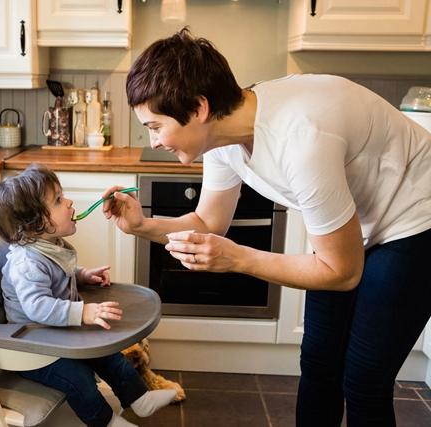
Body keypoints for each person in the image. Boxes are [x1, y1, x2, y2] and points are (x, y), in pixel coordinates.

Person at [101, 28, 431, 427]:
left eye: (155, 126)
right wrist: (141, 226)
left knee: (363, 379)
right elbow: (209, 221)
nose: (153, 141)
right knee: (318, 361)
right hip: (357, 222)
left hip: (416, 218)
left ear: (198, 108)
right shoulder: (222, 134)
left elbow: (342, 273)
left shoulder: (301, 138)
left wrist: (237, 257)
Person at [0, 164, 176, 427]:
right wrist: (83, 312)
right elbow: (37, 306)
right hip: (34, 348)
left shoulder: (47, 246)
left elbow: (56, 276)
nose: (69, 202)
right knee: (79, 379)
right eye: (59, 200)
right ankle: (106, 422)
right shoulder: (26, 262)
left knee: (113, 358)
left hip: (57, 336)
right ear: (37, 222)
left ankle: (140, 400)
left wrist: (81, 275)